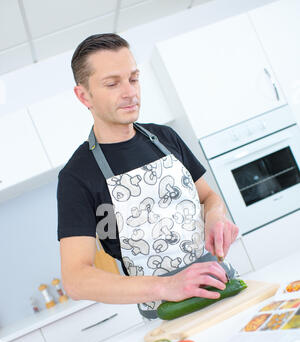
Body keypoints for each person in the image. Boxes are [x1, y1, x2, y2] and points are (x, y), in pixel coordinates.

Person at [57, 33, 239, 318]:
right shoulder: (77, 176)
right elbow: (76, 279)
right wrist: (165, 287)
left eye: (133, 78)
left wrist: (216, 217)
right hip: (167, 315)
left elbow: (209, 196)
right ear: (84, 96)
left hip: (223, 286)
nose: (130, 92)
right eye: (112, 83)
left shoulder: (165, 138)